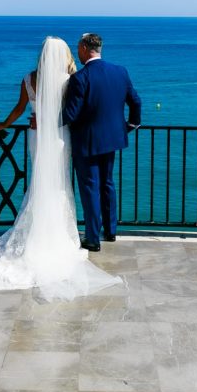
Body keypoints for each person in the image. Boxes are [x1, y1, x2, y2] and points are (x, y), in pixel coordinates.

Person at [0, 37, 122, 301]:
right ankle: (62, 234)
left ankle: (38, 233)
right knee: (60, 182)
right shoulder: (71, 79)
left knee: (40, 180)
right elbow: (77, 109)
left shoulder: (29, 79)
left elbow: (19, 110)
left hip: (37, 137)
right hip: (59, 135)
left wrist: (2, 125)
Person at [62, 33, 142, 252]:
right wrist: (131, 126)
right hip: (113, 139)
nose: (77, 52)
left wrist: (44, 121)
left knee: (89, 188)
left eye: (78, 48)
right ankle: (110, 231)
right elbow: (136, 102)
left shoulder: (80, 78)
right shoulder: (120, 71)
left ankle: (92, 238)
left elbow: (70, 114)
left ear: (86, 49)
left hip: (86, 143)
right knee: (107, 184)